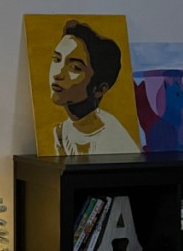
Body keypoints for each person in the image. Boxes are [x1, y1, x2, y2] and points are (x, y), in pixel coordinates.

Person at [48, 20, 139, 155]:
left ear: (99, 89)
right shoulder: (62, 131)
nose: (58, 74)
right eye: (56, 59)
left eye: (75, 67)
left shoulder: (114, 141)